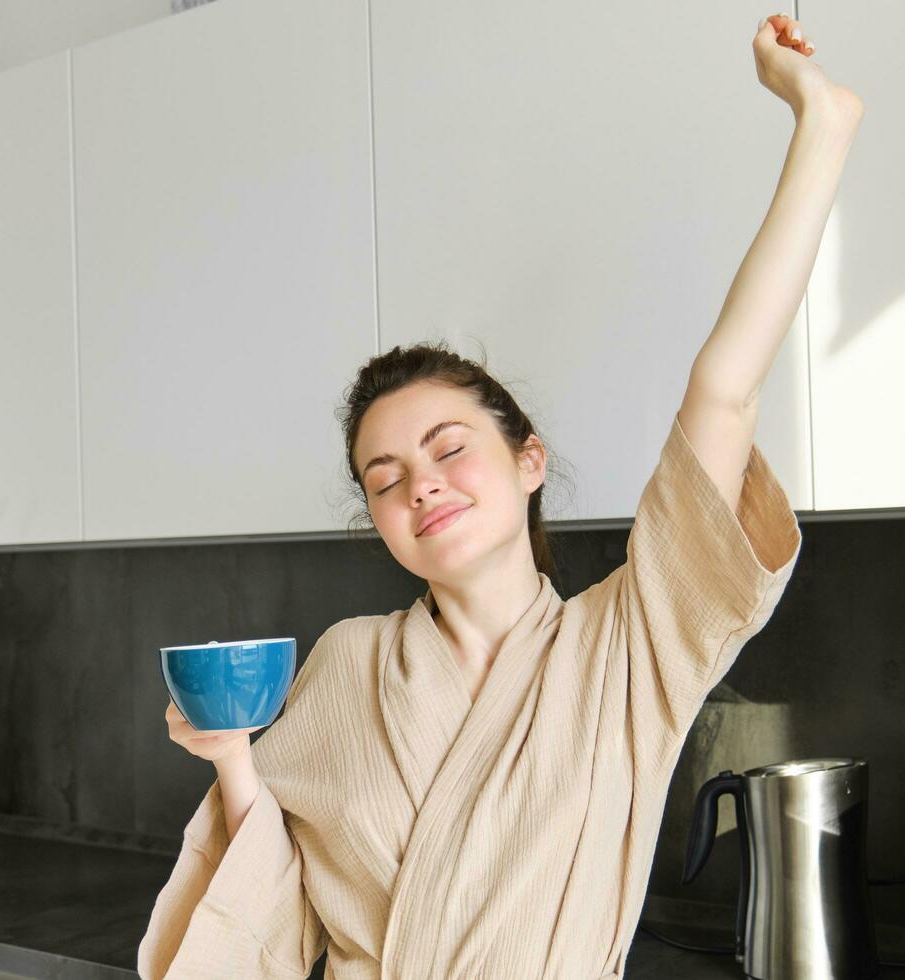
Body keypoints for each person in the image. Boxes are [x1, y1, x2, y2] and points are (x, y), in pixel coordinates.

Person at [140, 13, 859, 978]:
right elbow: (273, 905)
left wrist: (819, 123)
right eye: (384, 480)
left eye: (448, 449)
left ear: (530, 461)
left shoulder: (629, 647)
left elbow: (725, 390)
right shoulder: (347, 665)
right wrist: (231, 757)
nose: (419, 484)